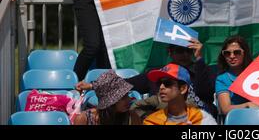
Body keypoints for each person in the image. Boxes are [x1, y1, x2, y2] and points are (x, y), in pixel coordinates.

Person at [76, 40, 217, 117]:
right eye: (180, 50)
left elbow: (206, 93)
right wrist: (92, 86)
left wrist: (199, 59)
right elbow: (124, 84)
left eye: (189, 51)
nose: (185, 55)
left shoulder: (201, 70)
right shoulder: (158, 74)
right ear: (170, 52)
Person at [215, 35, 259, 116]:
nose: (232, 56)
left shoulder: (258, 70)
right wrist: (247, 105)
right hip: (240, 118)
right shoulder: (222, 79)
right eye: (227, 53)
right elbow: (225, 109)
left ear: (244, 53)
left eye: (237, 52)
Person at [143, 63, 217, 125]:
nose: (161, 87)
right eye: (159, 83)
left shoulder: (203, 118)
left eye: (167, 83)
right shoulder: (151, 121)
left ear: (183, 89)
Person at [73, 70, 141, 125]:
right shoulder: (84, 119)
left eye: (127, 95)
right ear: (110, 103)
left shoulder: (132, 117)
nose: (129, 99)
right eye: (123, 97)